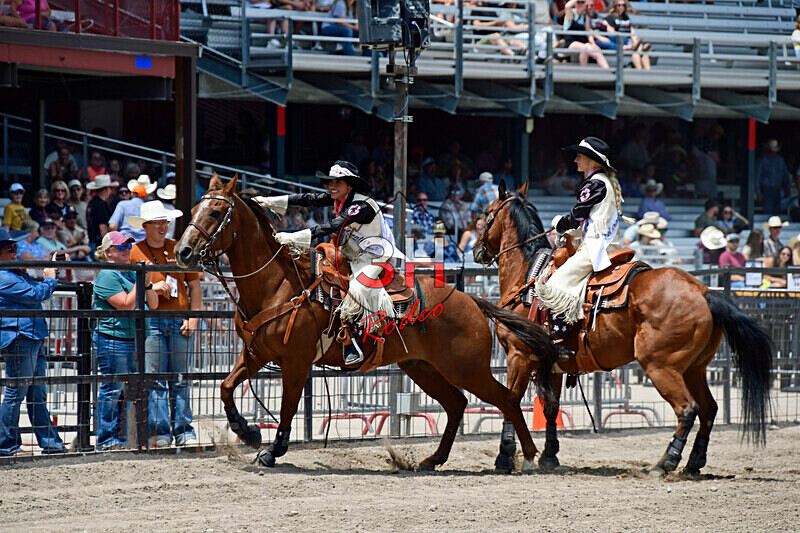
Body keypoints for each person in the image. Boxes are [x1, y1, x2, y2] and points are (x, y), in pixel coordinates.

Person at [254, 160, 405, 365]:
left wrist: (295, 236)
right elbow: (307, 199)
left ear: (349, 186)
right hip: (352, 252)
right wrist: (270, 201)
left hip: (375, 255)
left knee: (357, 288)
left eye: (338, 183)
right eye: (330, 182)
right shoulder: (340, 199)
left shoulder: (361, 205)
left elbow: (334, 224)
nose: (331, 186)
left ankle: (353, 341)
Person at [536, 136, 629, 354]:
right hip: (608, 243)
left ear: (590, 159)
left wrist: (560, 223)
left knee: (554, 284)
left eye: (579, 156)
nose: (576, 160)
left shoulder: (595, 183)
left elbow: (579, 213)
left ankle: (558, 340)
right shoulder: (607, 181)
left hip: (595, 247)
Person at [128, 201, 199, 448]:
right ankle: (163, 432)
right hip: (152, 321)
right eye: (157, 223)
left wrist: (193, 317)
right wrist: (152, 287)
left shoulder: (179, 248)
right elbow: (130, 289)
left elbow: (194, 285)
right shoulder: (134, 252)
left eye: (165, 222)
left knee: (178, 378)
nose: (162, 227)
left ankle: (182, 431)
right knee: (158, 379)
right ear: (146, 226)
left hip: (179, 319)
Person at [0, 228, 67, 456]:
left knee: (36, 393)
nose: (16, 251)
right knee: (16, 392)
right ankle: (7, 445)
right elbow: (35, 294)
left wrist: (51, 269)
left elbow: (34, 287)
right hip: (21, 336)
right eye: (11, 248)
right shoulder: (4, 276)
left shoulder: (13, 271)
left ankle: (51, 443)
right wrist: (50, 277)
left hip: (31, 335)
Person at [93, 231, 160, 450]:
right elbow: (126, 304)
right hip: (115, 339)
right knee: (113, 389)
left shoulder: (130, 274)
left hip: (131, 338)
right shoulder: (108, 274)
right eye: (122, 247)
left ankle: (122, 437)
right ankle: (107, 439)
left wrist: (147, 284)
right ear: (108, 252)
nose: (127, 251)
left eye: (128, 247)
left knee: (127, 390)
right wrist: (142, 280)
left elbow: (154, 303)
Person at [563, 0, 609, 68]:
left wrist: (593, 44)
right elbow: (567, 6)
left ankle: (608, 72)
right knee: (584, 48)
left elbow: (588, 33)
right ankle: (583, 71)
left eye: (582, 2)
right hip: (571, 43)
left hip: (583, 43)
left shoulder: (585, 16)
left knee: (597, 51)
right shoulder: (571, 13)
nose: (580, 4)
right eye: (578, 2)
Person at [605, 0, 650, 69]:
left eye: (623, 5)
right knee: (638, 51)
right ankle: (640, 72)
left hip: (629, 41)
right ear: (615, 6)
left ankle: (647, 73)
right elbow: (612, 33)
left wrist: (634, 40)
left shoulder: (626, 17)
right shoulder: (610, 18)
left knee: (640, 53)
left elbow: (631, 30)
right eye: (619, 5)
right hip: (620, 42)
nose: (621, 7)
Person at [755, 139, 791, 215]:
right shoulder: (762, 160)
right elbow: (757, 177)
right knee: (768, 212)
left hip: (778, 190)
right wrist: (758, 193)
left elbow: (785, 174)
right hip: (767, 190)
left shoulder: (780, 160)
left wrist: (787, 187)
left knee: (777, 212)